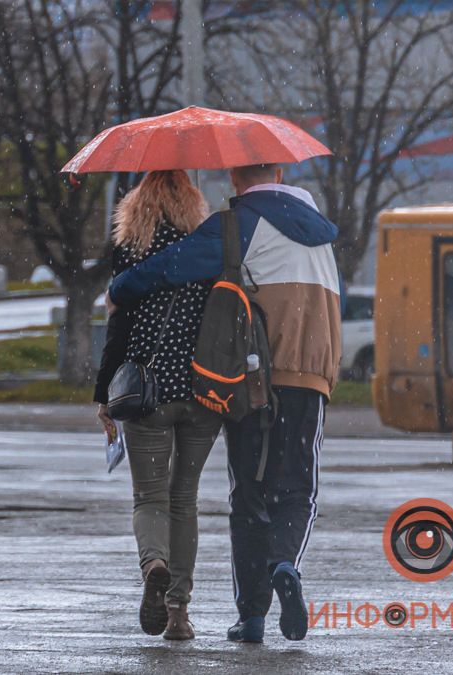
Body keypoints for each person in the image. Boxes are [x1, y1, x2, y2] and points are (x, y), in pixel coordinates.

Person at [107, 164, 342, 644]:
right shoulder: (319, 228)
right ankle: (286, 565)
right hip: (313, 375)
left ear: (236, 176)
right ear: (279, 170)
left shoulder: (239, 223)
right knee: (299, 487)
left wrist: (118, 288)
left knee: (248, 495)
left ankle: (251, 617)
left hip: (253, 376)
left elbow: (172, 266)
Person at [93, 170, 223, 641]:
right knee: (184, 498)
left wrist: (103, 394)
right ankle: (178, 614)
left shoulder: (133, 254)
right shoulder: (209, 253)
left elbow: (117, 332)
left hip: (146, 393)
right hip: (203, 393)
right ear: (191, 203)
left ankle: (155, 564)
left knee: (149, 498)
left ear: (135, 206)